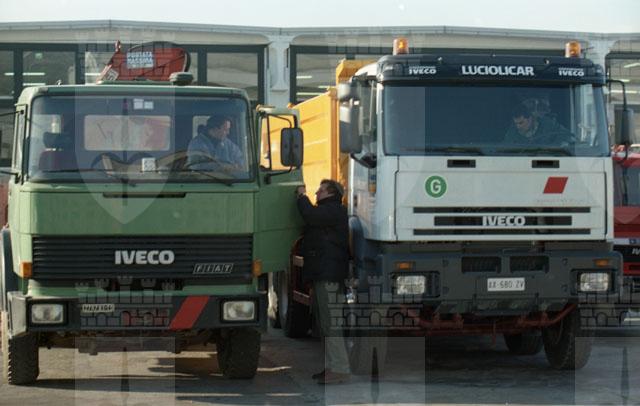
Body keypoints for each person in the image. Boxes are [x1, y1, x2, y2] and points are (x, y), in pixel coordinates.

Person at [296, 179, 351, 384]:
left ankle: (340, 369)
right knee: (324, 323)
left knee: (331, 324)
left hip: (329, 276)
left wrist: (301, 196)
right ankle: (331, 367)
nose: (316, 193)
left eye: (320, 190)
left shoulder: (334, 210)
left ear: (331, 193)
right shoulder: (328, 211)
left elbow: (310, 215)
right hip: (322, 274)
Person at [504, 104, 574, 145]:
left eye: (521, 123)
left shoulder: (548, 125)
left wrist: (553, 148)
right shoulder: (512, 131)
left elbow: (566, 135)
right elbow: (506, 147)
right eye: (516, 123)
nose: (518, 126)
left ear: (530, 119)